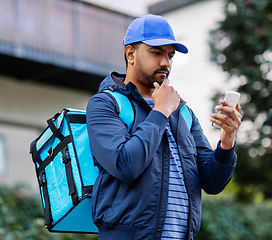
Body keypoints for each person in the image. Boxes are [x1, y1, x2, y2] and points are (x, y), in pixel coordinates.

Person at [86, 14, 242, 240]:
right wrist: (160, 111)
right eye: (156, 52)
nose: (166, 63)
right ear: (130, 53)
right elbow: (126, 165)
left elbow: (212, 182)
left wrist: (227, 140)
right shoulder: (105, 103)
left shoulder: (183, 113)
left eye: (170, 55)